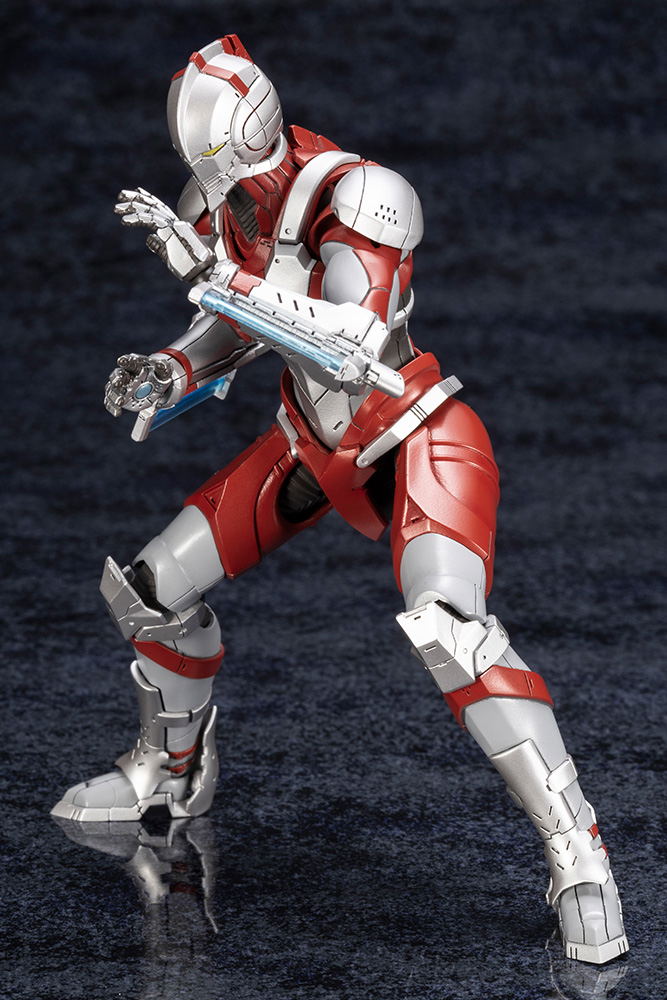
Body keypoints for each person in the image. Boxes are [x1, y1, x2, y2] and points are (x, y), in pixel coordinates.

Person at [52, 35, 628, 965]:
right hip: (311, 446)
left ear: (253, 135)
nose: (223, 203)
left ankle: (578, 854)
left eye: (226, 177)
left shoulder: (362, 194)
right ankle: (171, 775)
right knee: (151, 591)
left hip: (413, 434)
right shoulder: (224, 207)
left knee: (451, 629)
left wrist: (214, 276)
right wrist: (170, 369)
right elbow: (235, 329)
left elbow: (349, 344)